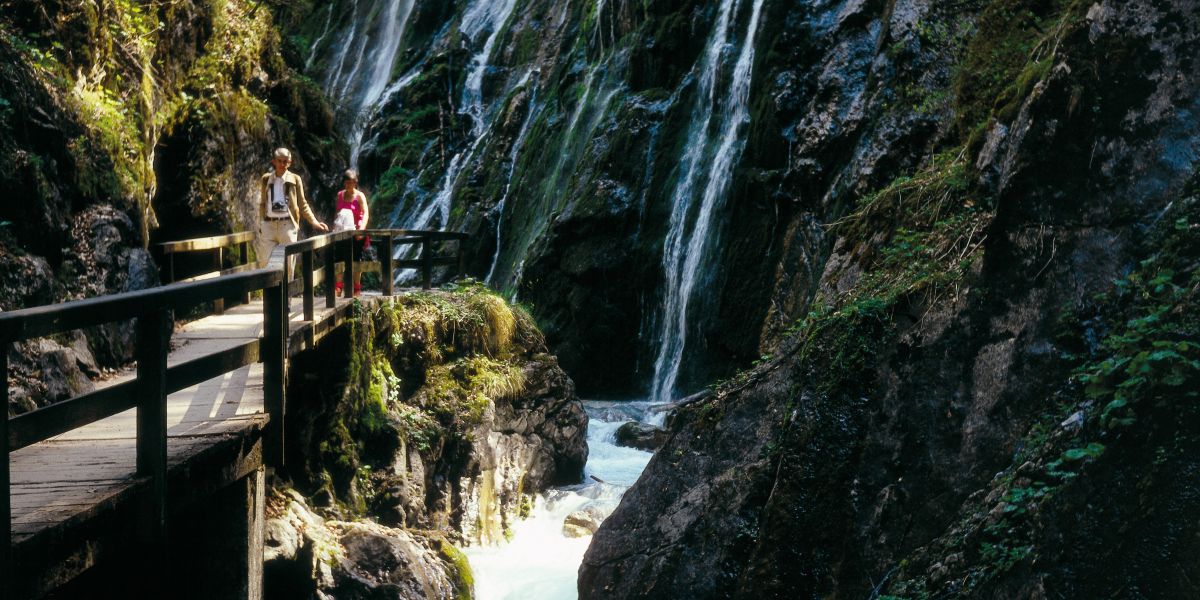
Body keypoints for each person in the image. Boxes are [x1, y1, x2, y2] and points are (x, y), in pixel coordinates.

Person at [256, 148, 328, 270]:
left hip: (287, 225)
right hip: (269, 225)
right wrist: (261, 223)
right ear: (274, 162)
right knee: (265, 263)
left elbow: (303, 204)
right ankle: (268, 289)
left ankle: (286, 289)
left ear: (289, 163)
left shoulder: (295, 179)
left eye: (285, 162)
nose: (282, 165)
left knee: (288, 265)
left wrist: (314, 222)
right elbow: (263, 203)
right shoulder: (266, 179)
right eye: (280, 161)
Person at [333, 168, 370, 294]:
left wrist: (361, 230)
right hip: (342, 232)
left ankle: (357, 288)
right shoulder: (340, 195)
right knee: (338, 258)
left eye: (352, 182)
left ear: (356, 182)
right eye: (347, 182)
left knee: (356, 260)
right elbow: (338, 213)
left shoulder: (360, 196)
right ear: (344, 182)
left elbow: (365, 214)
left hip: (357, 234)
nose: (349, 184)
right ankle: (338, 287)